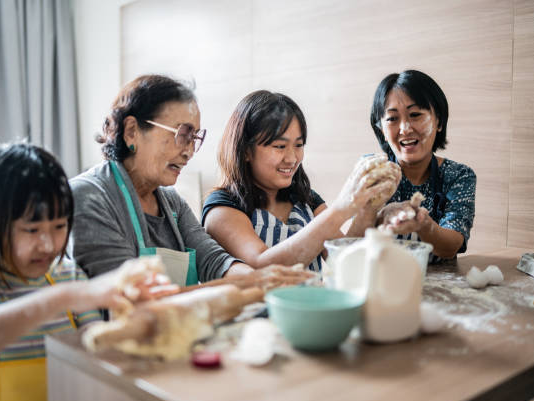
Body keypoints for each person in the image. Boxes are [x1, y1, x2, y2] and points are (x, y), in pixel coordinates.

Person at [0, 144, 162, 401]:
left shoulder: (68, 275)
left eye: (59, 227)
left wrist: (133, 318)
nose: (47, 244)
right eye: (32, 230)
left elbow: (98, 354)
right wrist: (60, 298)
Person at [69, 76, 313, 286]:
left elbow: (215, 262)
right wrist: (251, 284)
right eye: (182, 134)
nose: (189, 151)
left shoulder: (172, 204)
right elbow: (132, 300)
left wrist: (258, 278)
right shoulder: (88, 197)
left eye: (194, 137)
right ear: (132, 131)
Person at [202, 90, 400, 271]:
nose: (292, 158)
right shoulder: (221, 207)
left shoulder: (306, 199)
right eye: (279, 146)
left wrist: (369, 207)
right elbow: (261, 265)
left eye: (298, 145)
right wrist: (341, 208)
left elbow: (344, 260)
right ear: (245, 150)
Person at [370, 70, 476, 260]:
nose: (405, 128)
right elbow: (352, 243)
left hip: (440, 285)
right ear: (382, 129)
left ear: (439, 122)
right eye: (392, 119)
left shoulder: (458, 175)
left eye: (415, 114)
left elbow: (450, 246)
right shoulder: (372, 171)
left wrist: (423, 223)